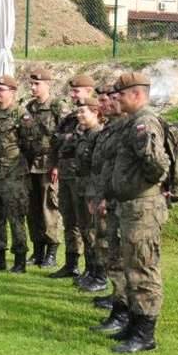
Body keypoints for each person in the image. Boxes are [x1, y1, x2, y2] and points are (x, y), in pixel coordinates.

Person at [108, 72, 170, 353]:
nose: (117, 99)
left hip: (142, 206)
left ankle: (145, 335)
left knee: (143, 267)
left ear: (136, 94)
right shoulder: (132, 122)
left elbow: (157, 163)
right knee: (131, 266)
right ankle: (134, 324)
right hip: (131, 206)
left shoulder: (144, 122)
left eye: (121, 94)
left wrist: (143, 186)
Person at [88, 84, 130, 331]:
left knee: (121, 256)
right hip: (107, 196)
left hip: (123, 200)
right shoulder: (111, 129)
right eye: (104, 100)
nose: (106, 104)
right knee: (110, 251)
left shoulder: (128, 128)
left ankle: (123, 310)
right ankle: (118, 301)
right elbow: (102, 166)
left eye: (112, 99)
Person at [49, 74, 95, 279]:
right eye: (72, 91)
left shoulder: (94, 116)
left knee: (87, 224)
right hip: (66, 175)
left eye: (77, 91)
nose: (73, 95)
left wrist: (66, 138)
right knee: (69, 221)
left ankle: (92, 268)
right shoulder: (70, 118)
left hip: (83, 178)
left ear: (89, 91)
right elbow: (55, 140)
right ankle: (71, 263)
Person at [0, 75, 30, 273]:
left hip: (12, 172)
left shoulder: (20, 114)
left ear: (12, 92)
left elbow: (28, 143)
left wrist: (17, 162)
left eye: (1, 90)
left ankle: (19, 259)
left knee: (15, 217)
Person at [21, 69, 67, 268]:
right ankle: (37, 249)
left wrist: (57, 164)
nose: (32, 87)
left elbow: (65, 137)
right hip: (30, 164)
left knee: (49, 207)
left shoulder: (57, 106)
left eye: (36, 84)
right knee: (32, 210)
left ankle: (51, 251)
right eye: (31, 84)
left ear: (48, 84)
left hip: (49, 164)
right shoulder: (29, 107)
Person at [74, 96, 105, 291]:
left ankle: (100, 275)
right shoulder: (84, 134)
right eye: (78, 111)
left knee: (95, 232)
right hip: (82, 187)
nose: (78, 115)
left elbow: (99, 168)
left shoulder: (98, 135)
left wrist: (96, 195)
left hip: (93, 190)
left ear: (95, 112)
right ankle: (90, 270)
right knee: (85, 230)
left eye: (82, 111)